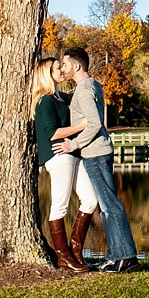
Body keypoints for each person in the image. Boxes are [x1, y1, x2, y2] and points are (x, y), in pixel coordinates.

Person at [54, 46, 139, 273]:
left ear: (77, 65)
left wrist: (71, 144)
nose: (63, 68)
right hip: (98, 153)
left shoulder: (84, 90)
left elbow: (94, 124)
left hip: (95, 154)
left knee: (109, 205)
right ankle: (116, 255)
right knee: (106, 205)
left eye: (66, 64)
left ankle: (125, 257)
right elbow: (78, 104)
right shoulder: (90, 86)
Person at [31, 57, 97, 272]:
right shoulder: (45, 101)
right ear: (47, 73)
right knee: (59, 205)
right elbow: (52, 133)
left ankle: (76, 252)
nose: (62, 70)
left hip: (72, 155)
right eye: (58, 68)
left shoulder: (58, 98)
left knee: (90, 199)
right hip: (58, 157)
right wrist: (82, 125)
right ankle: (63, 256)